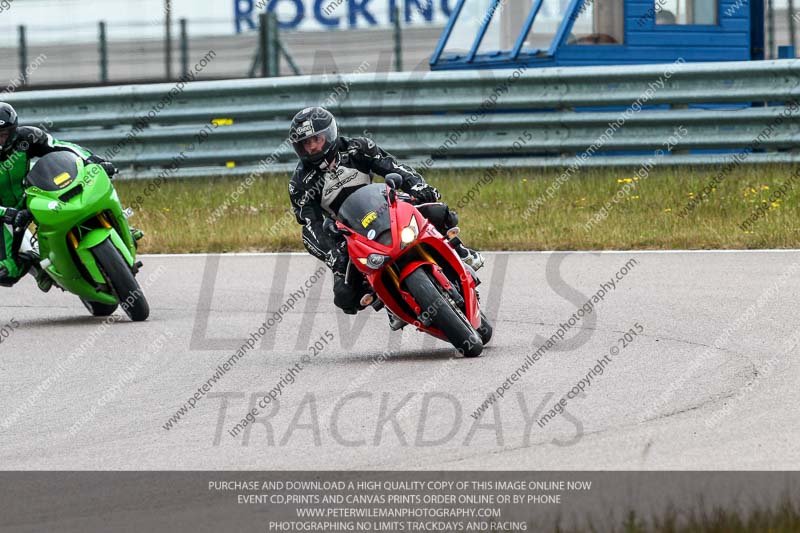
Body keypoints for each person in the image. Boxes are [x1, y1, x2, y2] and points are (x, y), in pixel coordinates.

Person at [288, 106, 484, 320]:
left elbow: (394, 168)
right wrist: (331, 252)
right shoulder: (300, 183)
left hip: (385, 208)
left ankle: (458, 249)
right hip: (350, 233)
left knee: (440, 212)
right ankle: (388, 300)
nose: (312, 147)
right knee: (345, 296)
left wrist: (418, 186)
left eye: (316, 139)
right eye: (306, 144)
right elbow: (310, 227)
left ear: (330, 134)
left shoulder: (358, 148)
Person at [0, 102, 120, 291]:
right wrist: (5, 212)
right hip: (4, 212)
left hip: (29, 196)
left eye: (4, 134)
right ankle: (39, 267)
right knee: (8, 272)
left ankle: (121, 225)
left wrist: (93, 160)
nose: (0, 139)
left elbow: (61, 147)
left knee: (85, 192)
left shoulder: (27, 137)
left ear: (13, 131)